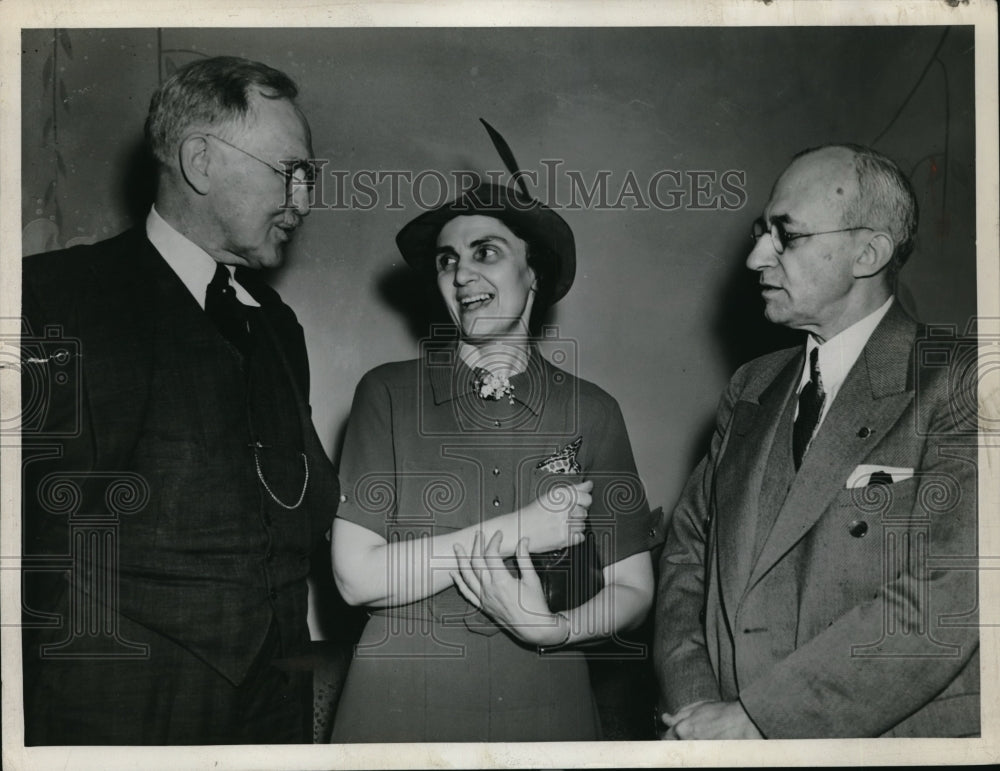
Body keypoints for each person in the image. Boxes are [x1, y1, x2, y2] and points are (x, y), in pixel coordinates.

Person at [20, 56, 339, 745]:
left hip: (274, 708)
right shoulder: (51, 298)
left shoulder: (276, 325)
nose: (304, 201)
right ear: (200, 161)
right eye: (290, 171)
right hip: (116, 710)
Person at [329, 141, 655, 741]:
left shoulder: (592, 411)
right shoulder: (388, 393)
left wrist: (554, 629)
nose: (461, 275)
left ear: (535, 273)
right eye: (447, 261)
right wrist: (522, 528)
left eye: (486, 252)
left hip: (547, 694)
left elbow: (634, 586)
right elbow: (356, 579)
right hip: (400, 696)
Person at [654, 144, 979, 739]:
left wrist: (760, 719)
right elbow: (685, 558)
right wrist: (697, 709)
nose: (756, 257)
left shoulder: (963, 380)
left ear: (868, 253)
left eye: (787, 235)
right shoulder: (751, 387)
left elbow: (952, 594)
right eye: (761, 232)